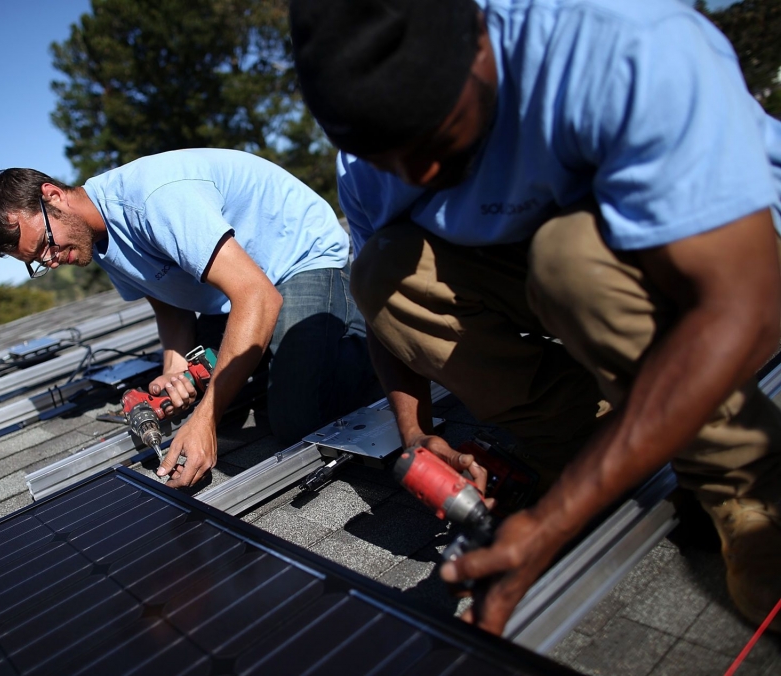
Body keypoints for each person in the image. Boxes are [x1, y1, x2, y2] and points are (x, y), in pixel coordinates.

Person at [290, 0, 781, 633]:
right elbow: (385, 310)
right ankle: (579, 440)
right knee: (383, 271)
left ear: (481, 43)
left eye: (436, 139)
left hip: (716, 250)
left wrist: (554, 523)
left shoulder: (622, 42)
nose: (418, 175)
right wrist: (416, 437)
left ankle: (748, 485)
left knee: (567, 260)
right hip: (558, 274)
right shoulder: (372, 159)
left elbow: (743, 306)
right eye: (390, 159)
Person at [0, 148, 378, 488]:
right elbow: (171, 307)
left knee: (297, 418)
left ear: (53, 195)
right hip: (243, 290)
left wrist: (205, 420)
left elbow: (258, 295)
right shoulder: (91, 238)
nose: (51, 260)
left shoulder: (153, 199)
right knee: (208, 383)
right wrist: (175, 370)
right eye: (36, 262)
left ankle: (368, 332)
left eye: (45, 244)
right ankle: (283, 355)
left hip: (298, 261)